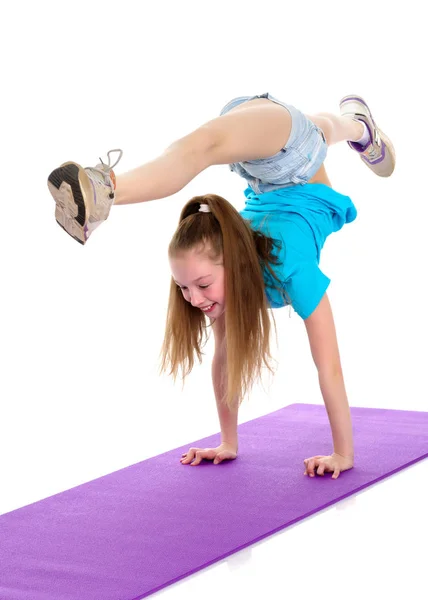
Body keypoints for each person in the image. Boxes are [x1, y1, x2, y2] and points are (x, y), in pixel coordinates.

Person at [47, 93, 395, 479]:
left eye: (200, 285)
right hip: (284, 159)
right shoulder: (267, 276)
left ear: (231, 259)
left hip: (270, 161)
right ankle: (359, 126)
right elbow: (229, 360)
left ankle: (104, 190)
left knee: (209, 146)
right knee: (317, 131)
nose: (194, 299)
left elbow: (328, 368)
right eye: (185, 287)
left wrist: (342, 454)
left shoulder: (267, 269)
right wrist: (229, 443)